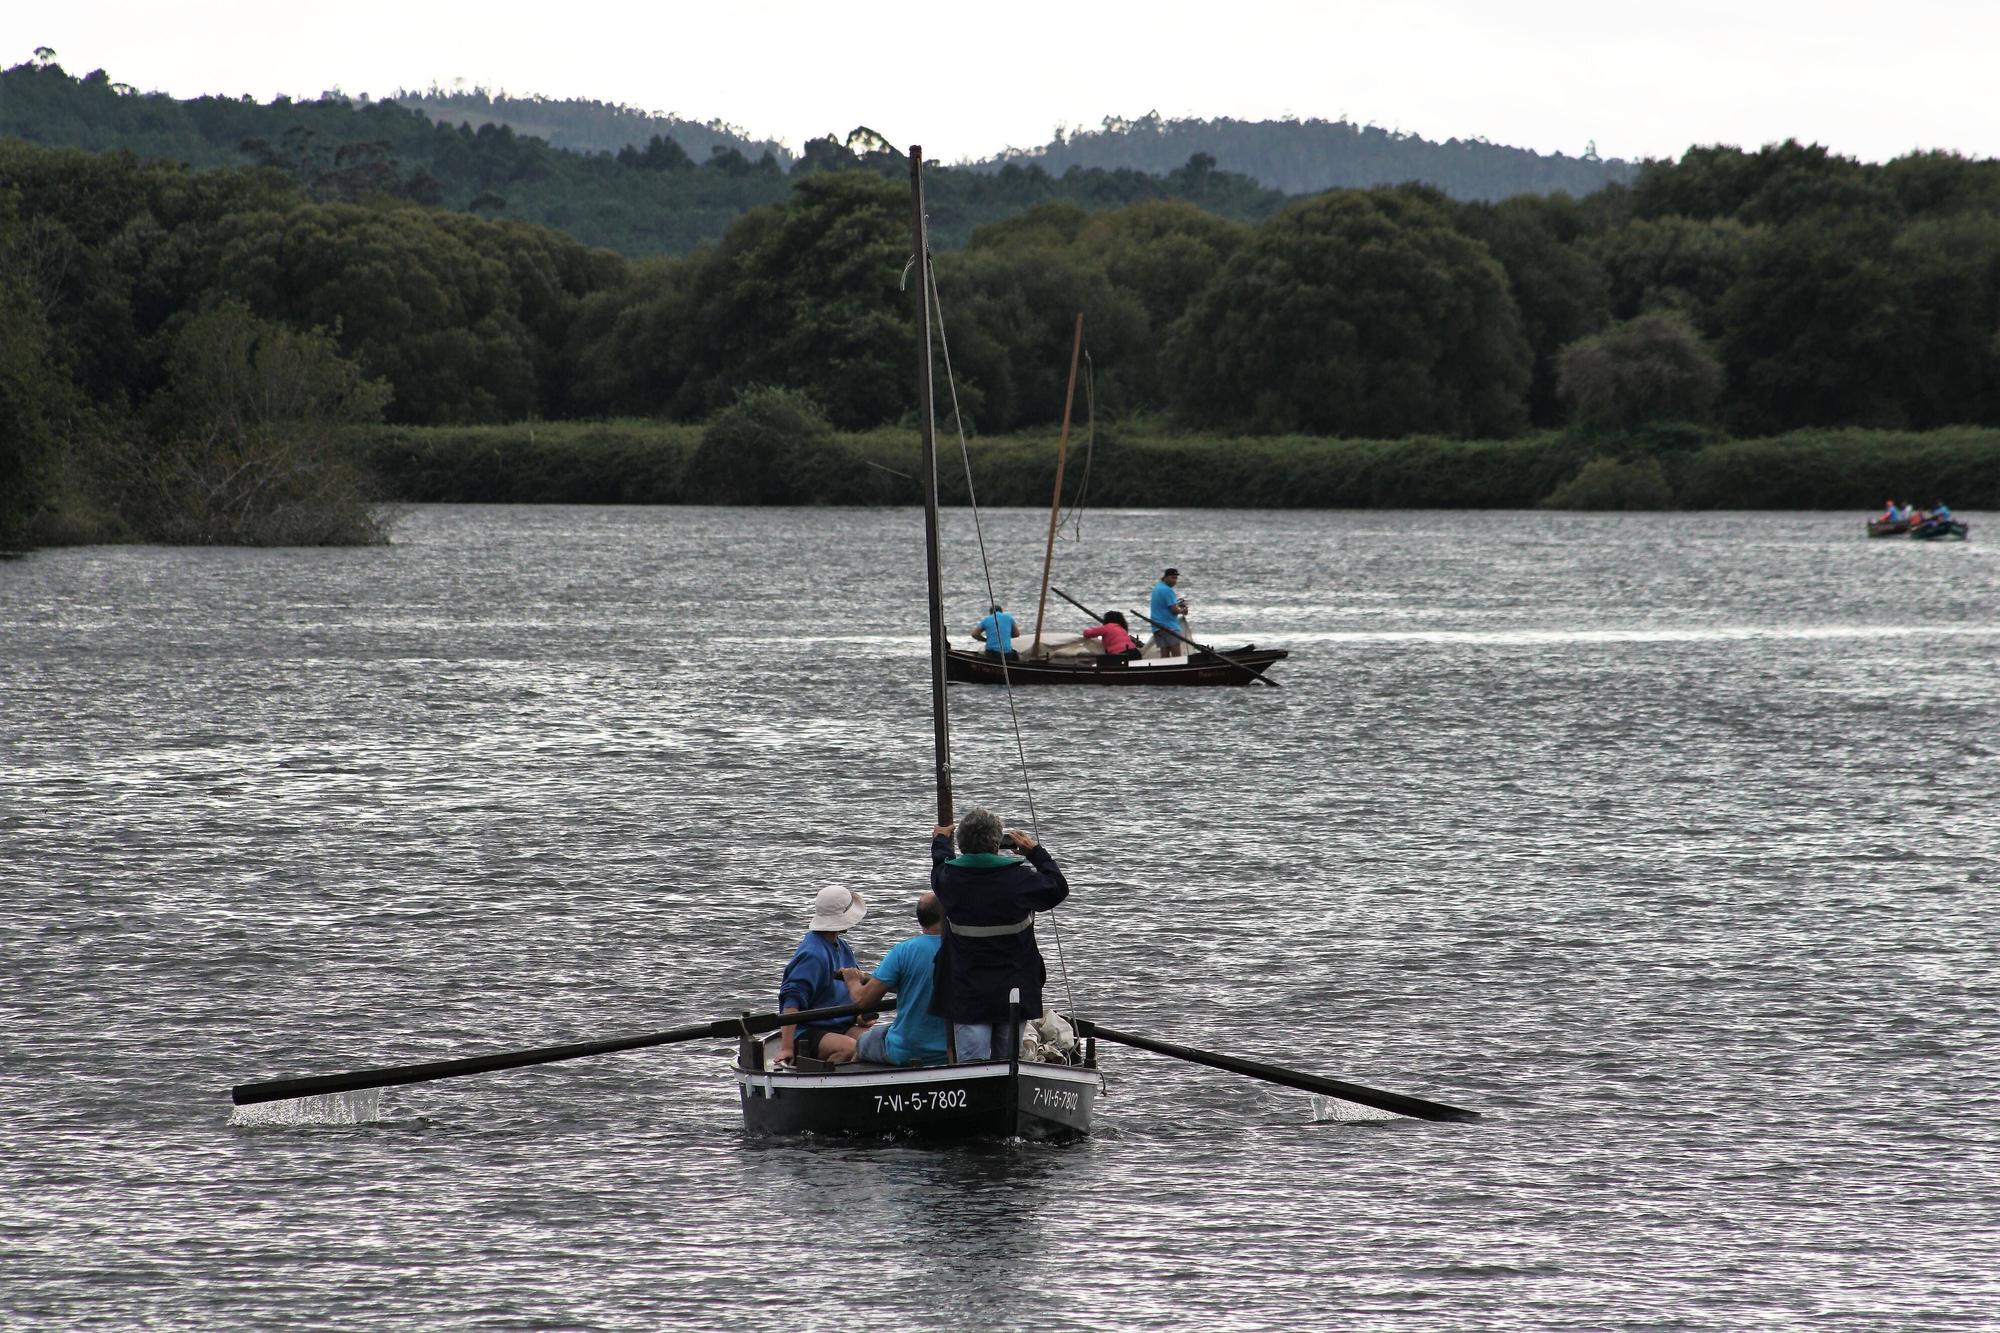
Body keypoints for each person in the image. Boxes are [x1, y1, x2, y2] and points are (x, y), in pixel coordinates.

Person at [928, 808, 1070, 1062]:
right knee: (1008, 1062)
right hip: (1013, 987)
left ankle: (977, 1096)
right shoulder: (1021, 880)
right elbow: (1058, 887)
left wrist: (940, 841)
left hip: (966, 990)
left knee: (972, 1065)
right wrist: (1034, 852)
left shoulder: (950, 880)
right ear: (997, 843)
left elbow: (940, 866)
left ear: (962, 844)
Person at [848, 892, 949, 1066]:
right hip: (952, 1049)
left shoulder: (903, 951)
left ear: (919, 918)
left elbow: (863, 1001)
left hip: (906, 1051)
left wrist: (852, 980)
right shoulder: (962, 951)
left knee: (863, 1041)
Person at [776, 886, 871, 1067]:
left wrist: (859, 1017)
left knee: (877, 1043)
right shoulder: (812, 954)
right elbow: (791, 1001)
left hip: (841, 1024)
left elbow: (851, 990)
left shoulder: (842, 947)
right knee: (849, 1049)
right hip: (808, 1031)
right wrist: (787, 1047)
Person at [1148, 568, 1188, 657]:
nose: (1174, 581)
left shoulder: (1157, 587)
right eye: (1172, 578)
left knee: (1165, 650)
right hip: (1168, 627)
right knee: (1176, 649)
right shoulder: (1168, 590)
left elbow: (1163, 605)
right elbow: (1173, 609)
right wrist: (1183, 611)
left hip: (1157, 626)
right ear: (1165, 577)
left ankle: (1165, 669)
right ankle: (1178, 668)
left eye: (1176, 578)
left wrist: (1177, 605)